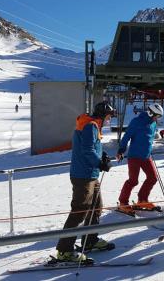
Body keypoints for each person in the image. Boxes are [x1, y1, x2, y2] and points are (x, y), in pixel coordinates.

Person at [55, 101, 115, 263]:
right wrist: (100, 163)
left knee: (96, 207)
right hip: (84, 175)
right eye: (109, 116)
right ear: (103, 115)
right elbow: (87, 150)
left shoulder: (92, 125)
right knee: (79, 211)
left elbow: (92, 147)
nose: (110, 119)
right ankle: (64, 250)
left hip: (90, 174)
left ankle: (90, 240)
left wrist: (102, 156)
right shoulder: (91, 126)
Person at [116, 103, 164, 215]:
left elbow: (149, 138)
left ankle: (142, 200)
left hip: (146, 156)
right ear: (151, 112)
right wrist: (121, 150)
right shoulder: (136, 121)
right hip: (134, 156)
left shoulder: (153, 123)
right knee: (133, 181)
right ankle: (123, 202)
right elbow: (126, 136)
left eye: (159, 116)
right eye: (157, 115)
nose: (157, 118)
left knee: (152, 178)